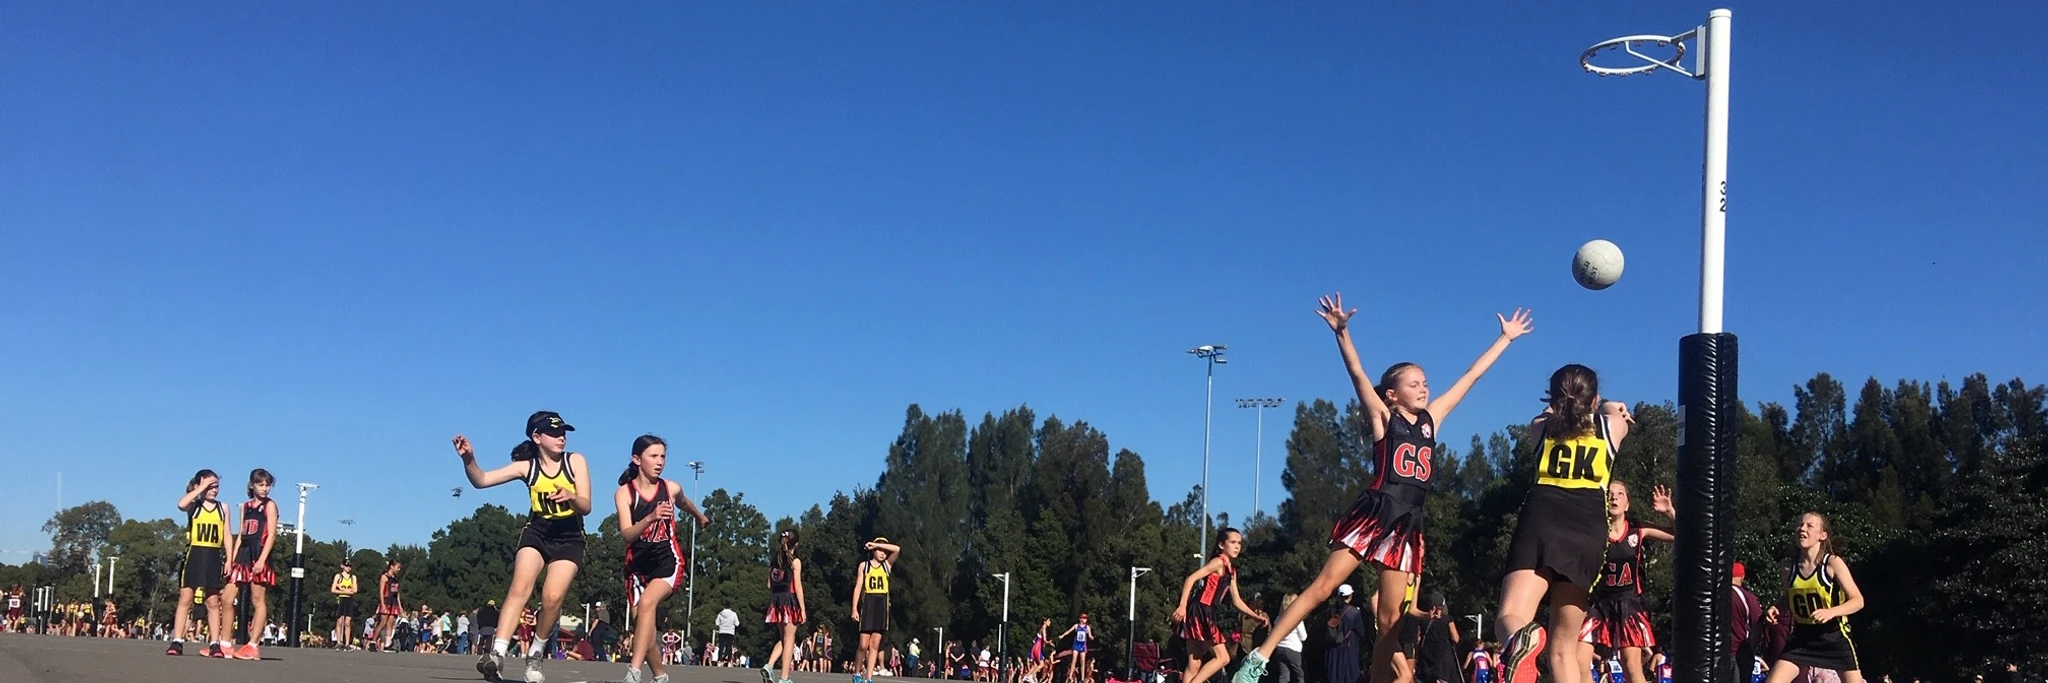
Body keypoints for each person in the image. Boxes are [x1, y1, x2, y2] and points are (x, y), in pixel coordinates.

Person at [1236, 295, 1533, 683]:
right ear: (1391, 394)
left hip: (1409, 522)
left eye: (1425, 382)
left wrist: (1505, 339)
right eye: (1414, 383)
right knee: (1325, 586)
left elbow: (1470, 377)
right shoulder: (1382, 418)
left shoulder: (1433, 419)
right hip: (1377, 511)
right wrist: (1342, 333)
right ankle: (1260, 656)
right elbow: (1358, 374)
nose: (1424, 388)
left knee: (1391, 621)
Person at [1495, 365, 1634, 683]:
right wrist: (1612, 406)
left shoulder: (1539, 427)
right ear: (1595, 398)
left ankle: (1521, 641)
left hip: (1542, 519)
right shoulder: (1611, 427)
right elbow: (1614, 410)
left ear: (1553, 397)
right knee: (1563, 648)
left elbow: (1552, 413)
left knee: (1511, 615)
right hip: (1588, 530)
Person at [456, 411, 595, 683]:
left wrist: (571, 497)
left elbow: (587, 506)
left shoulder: (575, 461)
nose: (561, 437)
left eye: (563, 432)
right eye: (554, 433)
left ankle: (536, 654)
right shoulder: (527, 467)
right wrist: (468, 459)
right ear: (537, 437)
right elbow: (481, 480)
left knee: (552, 597)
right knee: (520, 586)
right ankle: (496, 655)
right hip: (538, 531)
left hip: (569, 536)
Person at [615, 434, 709, 683]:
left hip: (667, 562)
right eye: (653, 456)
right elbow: (627, 535)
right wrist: (649, 518)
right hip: (637, 567)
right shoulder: (625, 493)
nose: (659, 462)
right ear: (637, 459)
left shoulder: (670, 488)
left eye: (663, 456)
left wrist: (699, 516)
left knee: (647, 605)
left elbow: (684, 502)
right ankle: (660, 676)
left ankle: (633, 673)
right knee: (644, 631)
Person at [1578, 481, 1676, 683]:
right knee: (1579, 661)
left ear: (1627, 504)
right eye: (1609, 494)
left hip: (1628, 604)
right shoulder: (1594, 531)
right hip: (1599, 605)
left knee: (1631, 665)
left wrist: (1669, 512)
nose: (1613, 497)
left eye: (1620, 494)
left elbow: (1678, 534)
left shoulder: (1637, 529)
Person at [1762, 512, 1866, 683]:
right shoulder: (1789, 567)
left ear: (1822, 535)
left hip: (1834, 637)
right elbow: (1790, 597)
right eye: (1800, 525)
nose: (1802, 528)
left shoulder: (1832, 563)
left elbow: (1858, 600)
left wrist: (1831, 612)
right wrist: (1777, 607)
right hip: (1801, 638)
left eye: (1809, 526)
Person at [1173, 528, 1270, 683]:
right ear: (1221, 545)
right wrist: (1182, 605)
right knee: (1223, 658)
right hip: (1201, 611)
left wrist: (1255, 616)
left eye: (1239, 543)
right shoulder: (1218, 562)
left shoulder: (1231, 571)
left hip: (1204, 612)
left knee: (1195, 662)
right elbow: (1191, 579)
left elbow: (1236, 600)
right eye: (1232, 542)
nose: (1237, 546)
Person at [168, 470, 232, 658]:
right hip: (194, 554)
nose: (213, 490)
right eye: (210, 486)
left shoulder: (223, 508)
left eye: (216, 486)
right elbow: (180, 504)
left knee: (213, 601)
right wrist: (202, 487)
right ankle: (177, 640)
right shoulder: (194, 505)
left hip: (213, 555)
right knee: (185, 598)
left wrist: (229, 558)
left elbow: (227, 533)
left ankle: (214, 643)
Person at [220, 468, 280, 660]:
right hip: (243, 552)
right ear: (252, 485)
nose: (265, 489)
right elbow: (241, 534)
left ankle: (253, 644)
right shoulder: (244, 507)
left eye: (267, 485)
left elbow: (271, 534)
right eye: (261, 484)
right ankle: (225, 643)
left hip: (259, 552)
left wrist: (262, 559)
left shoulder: (270, 506)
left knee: (257, 599)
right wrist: (232, 559)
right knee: (227, 598)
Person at [852, 537, 903, 683]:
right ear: (873, 551)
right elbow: (858, 587)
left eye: (885, 551)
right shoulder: (864, 566)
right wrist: (854, 608)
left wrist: (876, 544)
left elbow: (897, 549)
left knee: (874, 644)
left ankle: (868, 677)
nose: (883, 553)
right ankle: (856, 672)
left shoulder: (887, 565)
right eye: (880, 550)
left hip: (882, 604)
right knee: (863, 644)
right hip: (868, 603)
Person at [760, 529, 808, 683]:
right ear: (797, 544)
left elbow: (769, 584)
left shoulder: (775, 559)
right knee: (790, 639)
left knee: (783, 637)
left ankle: (769, 665)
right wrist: (802, 609)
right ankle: (784, 678)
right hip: (789, 599)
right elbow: (798, 586)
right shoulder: (795, 561)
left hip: (776, 599)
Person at [1327, 586, 1368, 683]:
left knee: (1333, 674)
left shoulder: (1331, 610)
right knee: (1348, 675)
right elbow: (1361, 631)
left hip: (1332, 647)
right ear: (1350, 596)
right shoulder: (1354, 612)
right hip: (1348, 647)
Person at [1731, 563, 1763, 668]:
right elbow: (1758, 623)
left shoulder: (1716, 594)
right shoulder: (1747, 597)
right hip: (1739, 651)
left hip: (1716, 651)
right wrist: (1752, 647)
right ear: (1742, 577)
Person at [1270, 594, 1308, 683]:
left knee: (1284, 675)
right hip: (1293, 649)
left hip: (1280, 648)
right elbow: (1303, 637)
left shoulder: (1278, 618)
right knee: (1300, 675)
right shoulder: (1297, 618)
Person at [375, 561, 404, 652]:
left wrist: (399, 605)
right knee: (383, 622)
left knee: (390, 623)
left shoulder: (395, 579)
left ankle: (388, 643)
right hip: (386, 600)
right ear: (392, 566)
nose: (399, 570)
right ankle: (372, 641)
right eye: (397, 567)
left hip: (393, 602)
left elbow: (396, 593)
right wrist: (382, 604)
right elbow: (381, 591)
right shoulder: (384, 577)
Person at [1056, 614, 1095, 683]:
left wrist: (1092, 637)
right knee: (1074, 660)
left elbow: (1090, 635)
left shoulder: (1087, 627)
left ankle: (1082, 678)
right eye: (1083, 618)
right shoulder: (1076, 626)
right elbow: (1068, 631)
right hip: (1076, 645)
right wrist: (1062, 635)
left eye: (1086, 618)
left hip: (1082, 645)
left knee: (1082, 661)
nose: (1085, 619)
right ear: (1080, 619)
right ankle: (1070, 676)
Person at [332, 561, 360, 650]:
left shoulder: (353, 577)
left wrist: (341, 588)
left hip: (349, 600)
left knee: (348, 622)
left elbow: (355, 590)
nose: (348, 568)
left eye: (350, 566)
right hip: (341, 599)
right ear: (342, 566)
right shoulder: (338, 576)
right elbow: (333, 589)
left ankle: (347, 643)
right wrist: (345, 591)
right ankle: (339, 642)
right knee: (339, 621)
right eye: (346, 566)